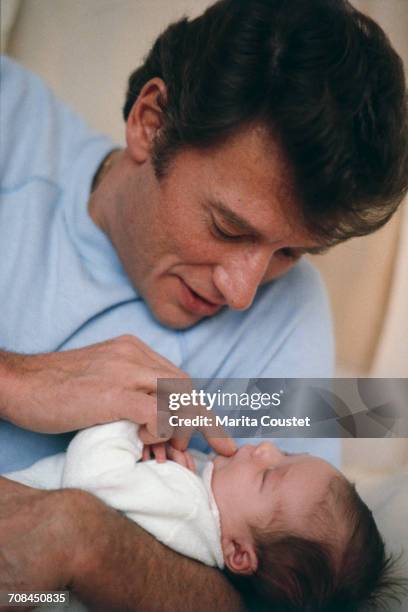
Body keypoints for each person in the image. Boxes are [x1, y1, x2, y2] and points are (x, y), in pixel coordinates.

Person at [1, 0, 407, 608]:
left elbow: (292, 590)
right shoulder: (12, 120)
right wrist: (19, 380)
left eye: (290, 251)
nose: (243, 292)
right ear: (151, 121)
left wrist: (85, 542)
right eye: (227, 227)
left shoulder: (291, 313)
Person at [6, 422, 397, 612]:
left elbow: (90, 484)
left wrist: (129, 422)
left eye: (268, 475)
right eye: (287, 454)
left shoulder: (189, 509)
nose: (264, 447)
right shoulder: (212, 506)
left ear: (238, 554)